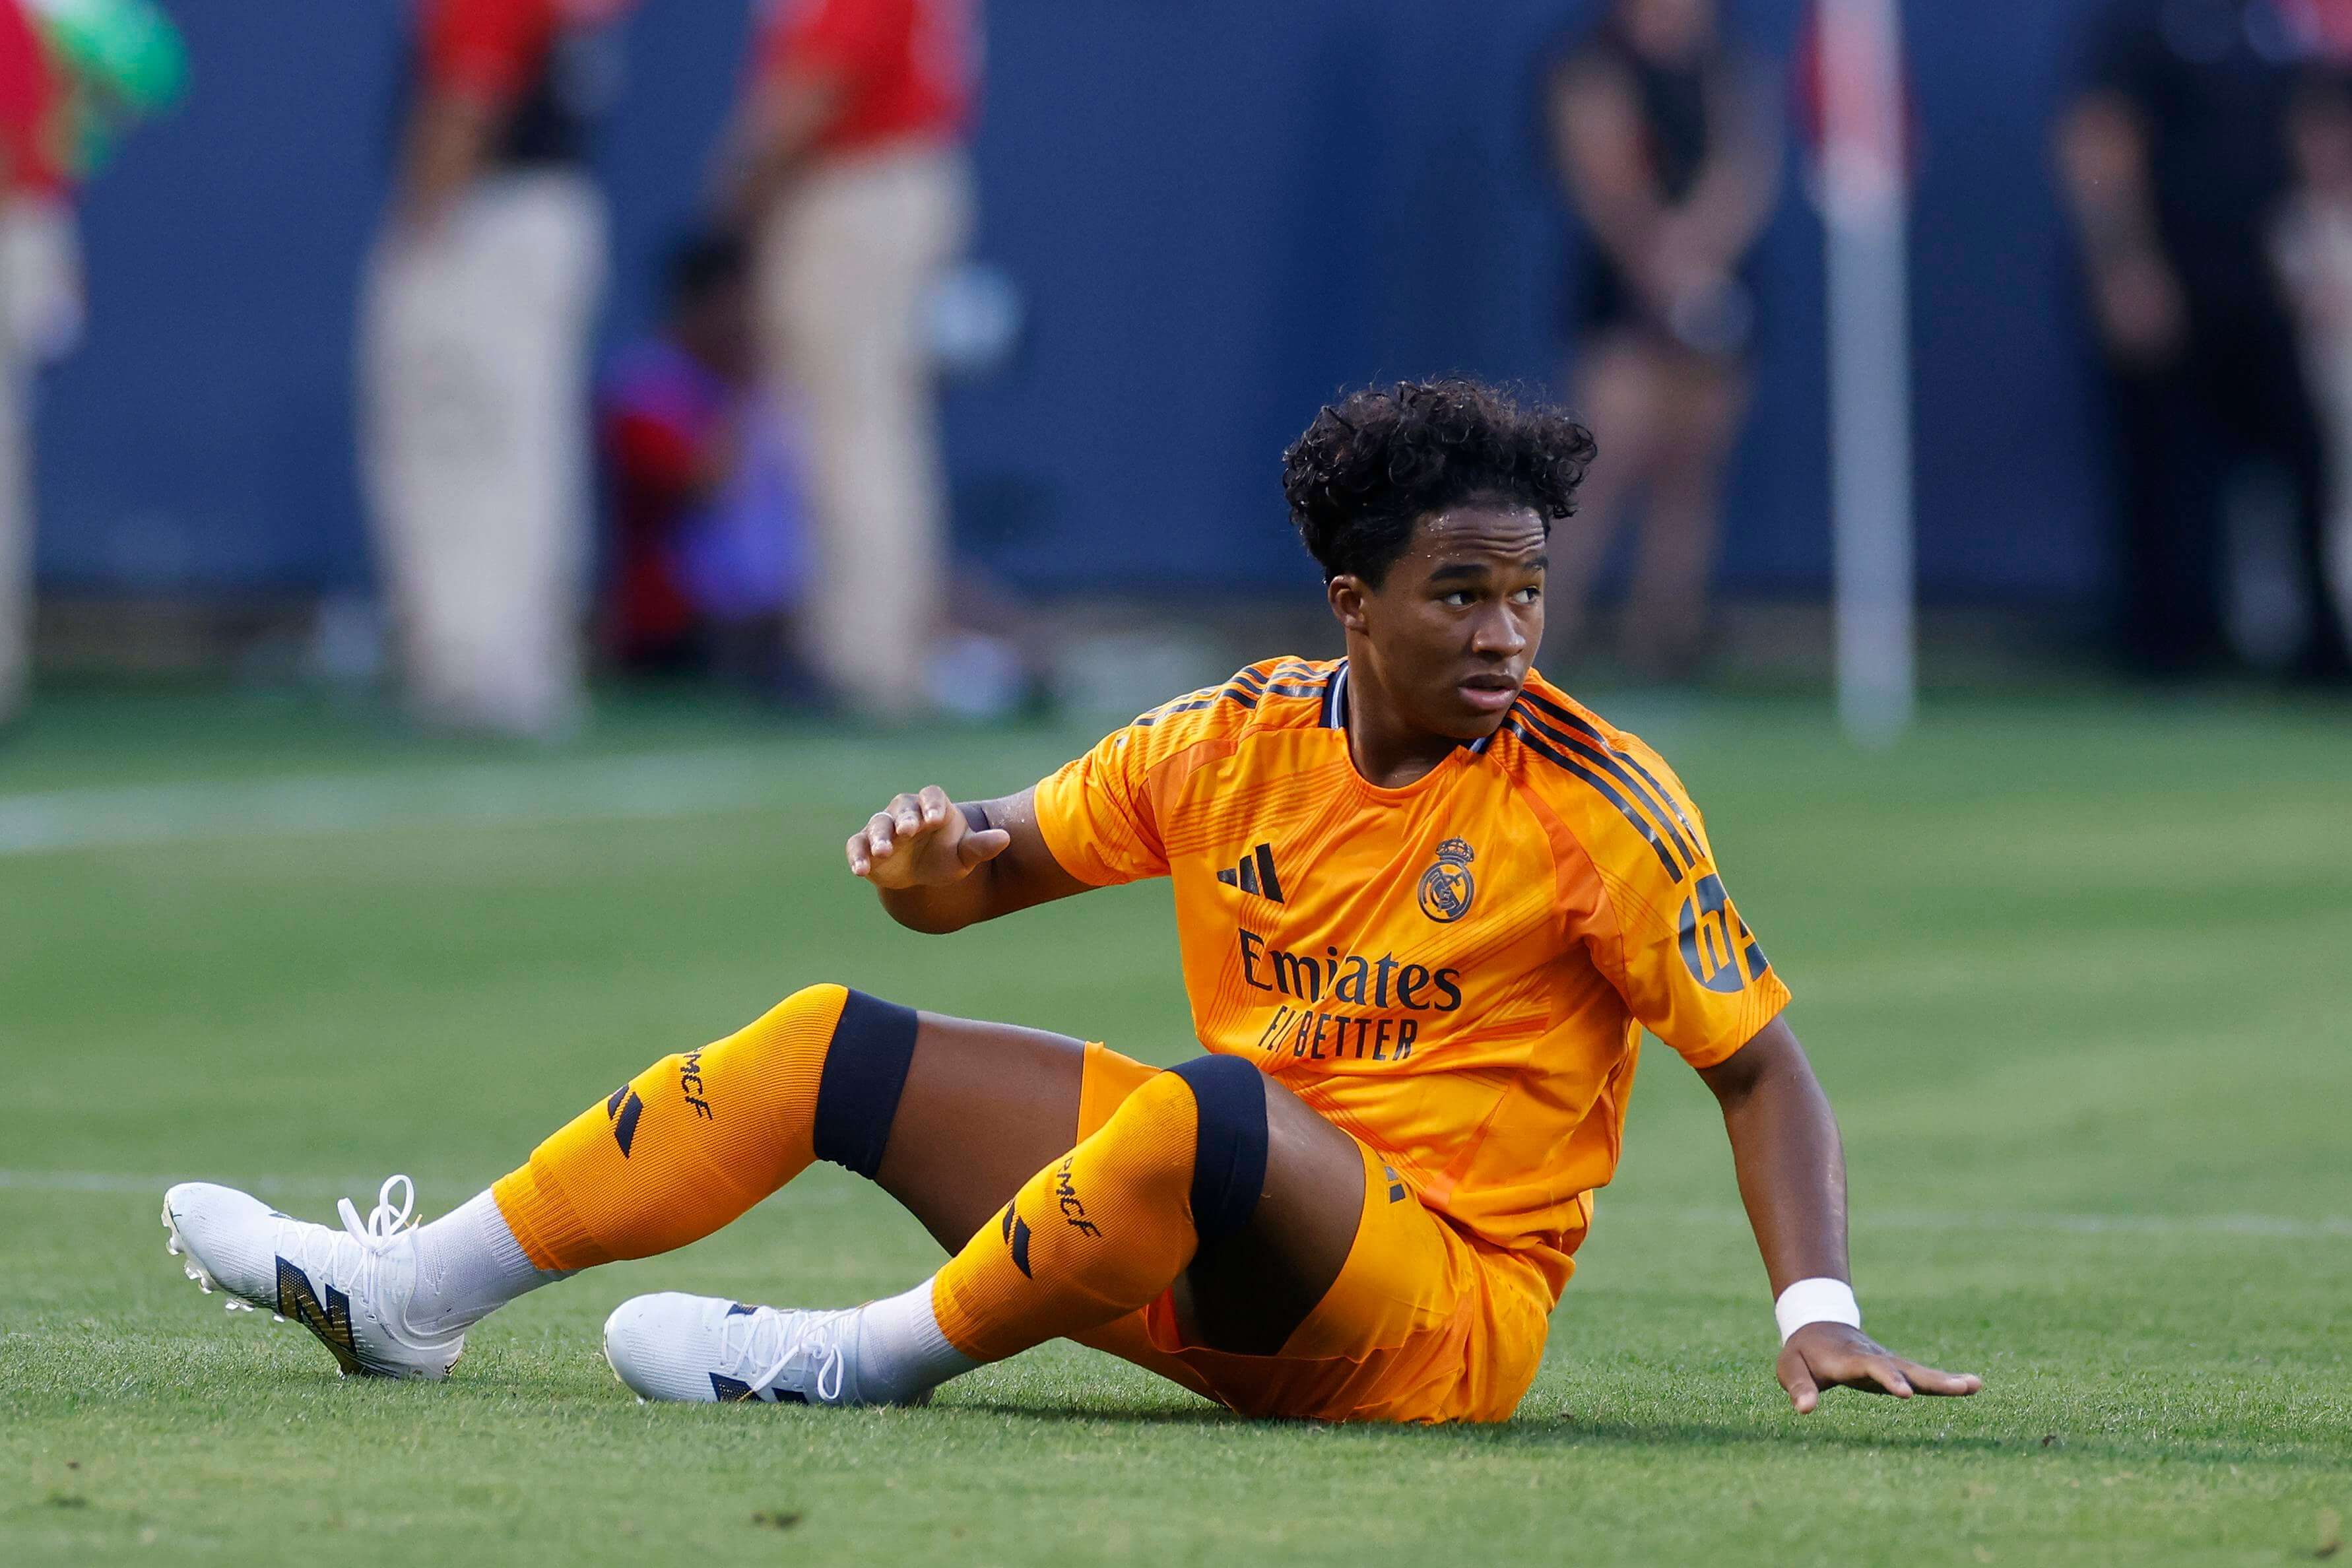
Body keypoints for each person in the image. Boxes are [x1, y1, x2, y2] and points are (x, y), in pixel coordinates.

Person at [159, 380, 1979, 1424]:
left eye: (1523, 594)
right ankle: (412, 1295)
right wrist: (920, 865)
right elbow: (982, 881)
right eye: (1460, 595)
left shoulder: (1599, 804)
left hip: (1426, 1316)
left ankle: (848, 1362)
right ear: (1351, 604)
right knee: (821, 1052)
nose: (1505, 632)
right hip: (1176, 1230)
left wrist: (1807, 1303)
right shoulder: (1228, 740)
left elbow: (1759, 1068)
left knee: (1211, 1107)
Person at [2058, 0, 2351, 679]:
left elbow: (2320, 130)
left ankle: (2323, 653)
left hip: (2279, 287)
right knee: (2171, 486)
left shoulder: (2285, 20)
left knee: (2316, 476)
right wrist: (2124, 262)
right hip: (2173, 283)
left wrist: (2325, 246)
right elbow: (2099, 133)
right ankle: (2172, 654)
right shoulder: (2139, 19)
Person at [360, 0, 627, 738]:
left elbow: (468, 94)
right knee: (525, 450)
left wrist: (421, 218)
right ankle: (525, 665)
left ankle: (473, 671)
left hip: (486, 214)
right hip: (545, 205)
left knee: (459, 446)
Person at [722, 0, 978, 723]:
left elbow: (821, 77)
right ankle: (874, 647)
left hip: (855, 181)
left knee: (850, 433)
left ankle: (865, 656)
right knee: (867, 430)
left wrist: (738, 189)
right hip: (881, 179)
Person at [1542, 0, 1781, 680]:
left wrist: (1701, 261)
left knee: (1692, 468)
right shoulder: (1592, 63)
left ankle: (1665, 640)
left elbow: (1745, 168)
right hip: (1626, 293)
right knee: (1597, 468)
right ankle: (1540, 641)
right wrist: (1661, 263)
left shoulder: (1727, 62)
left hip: (1718, 288)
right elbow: (1604, 175)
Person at [597, 230, 810, 689]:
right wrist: (738, 396)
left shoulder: (783, 389)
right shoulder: (644, 391)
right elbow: (704, 486)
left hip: (786, 609)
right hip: (683, 623)